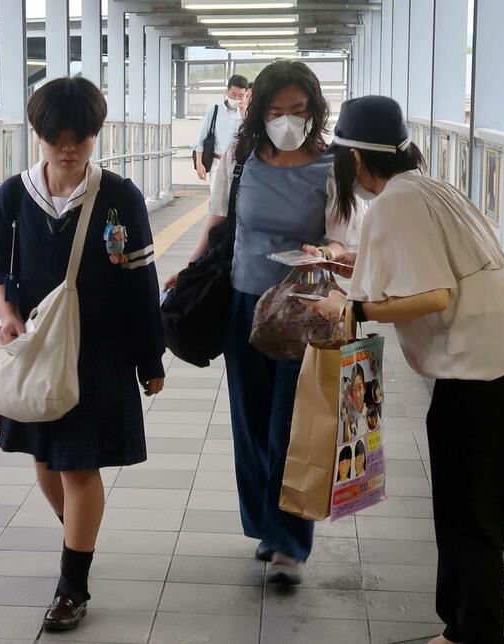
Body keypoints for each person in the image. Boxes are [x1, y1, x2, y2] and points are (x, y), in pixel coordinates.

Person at [310, 95, 504, 644]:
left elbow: (434, 295)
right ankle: (459, 629)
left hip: (479, 380)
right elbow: (433, 268)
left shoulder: (395, 203)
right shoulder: (431, 187)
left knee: (470, 524)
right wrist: (346, 263)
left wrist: (353, 308)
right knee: (470, 518)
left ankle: (475, 634)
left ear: (355, 160)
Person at [0, 77, 165, 633]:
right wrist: (7, 312)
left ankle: (72, 586)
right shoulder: (15, 195)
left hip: (101, 352)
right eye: (56, 137)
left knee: (79, 467)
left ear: (95, 135)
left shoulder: (118, 195)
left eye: (80, 137)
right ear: (37, 135)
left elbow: (141, 279)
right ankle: (78, 535)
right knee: (45, 465)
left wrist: (150, 358)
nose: (68, 148)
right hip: (39, 349)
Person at [172, 60, 359, 585]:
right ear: (259, 110)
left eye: (298, 111)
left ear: (315, 110)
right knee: (250, 423)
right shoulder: (239, 156)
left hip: (306, 311)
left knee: (293, 426)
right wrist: (188, 270)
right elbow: (217, 219)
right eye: (276, 110)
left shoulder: (333, 165)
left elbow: (345, 240)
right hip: (243, 304)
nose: (287, 120)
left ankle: (290, 544)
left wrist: (329, 249)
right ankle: (265, 525)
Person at [192, 74, 249, 192]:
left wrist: (245, 116)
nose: (237, 98)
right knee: (216, 202)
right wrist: (199, 163)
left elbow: (250, 138)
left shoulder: (247, 114)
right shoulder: (215, 110)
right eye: (234, 94)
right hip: (217, 162)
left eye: (241, 95)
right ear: (227, 92)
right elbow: (201, 138)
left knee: (235, 201)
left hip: (237, 164)